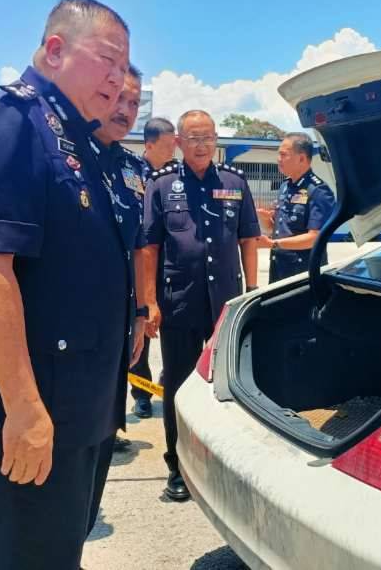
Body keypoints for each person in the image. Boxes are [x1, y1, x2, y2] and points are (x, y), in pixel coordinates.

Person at [0, 0, 135, 570]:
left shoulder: (78, 140)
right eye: (108, 60)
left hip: (76, 407)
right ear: (54, 50)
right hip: (35, 410)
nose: (118, 79)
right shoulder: (11, 120)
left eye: (125, 68)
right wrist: (22, 409)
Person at [139, 110, 260, 501]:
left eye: (208, 137)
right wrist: (148, 302)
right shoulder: (161, 186)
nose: (202, 144)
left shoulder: (234, 183)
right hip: (178, 305)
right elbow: (148, 247)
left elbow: (248, 241)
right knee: (177, 385)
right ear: (179, 142)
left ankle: (222, 465)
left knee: (226, 387)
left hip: (225, 306)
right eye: (193, 137)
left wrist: (253, 290)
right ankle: (176, 466)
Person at [85, 65, 149, 532]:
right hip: (61, 338)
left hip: (115, 334)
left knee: (100, 443)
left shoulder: (132, 169)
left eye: (134, 103)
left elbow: (140, 246)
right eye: (117, 98)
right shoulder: (63, 154)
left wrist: (142, 314)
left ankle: (80, 531)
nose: (124, 110)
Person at [128, 117, 177, 420]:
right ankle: (142, 394)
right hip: (139, 263)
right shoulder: (131, 172)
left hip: (169, 266)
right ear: (150, 144)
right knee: (140, 331)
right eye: (169, 142)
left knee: (172, 330)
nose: (175, 147)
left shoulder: (177, 176)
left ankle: (166, 381)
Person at [256, 132, 336, 282]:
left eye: (283, 155)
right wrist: (267, 221)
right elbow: (282, 231)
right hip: (279, 268)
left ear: (301, 158)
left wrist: (273, 244)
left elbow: (315, 238)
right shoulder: (285, 186)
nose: (278, 159)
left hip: (302, 274)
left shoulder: (318, 191)